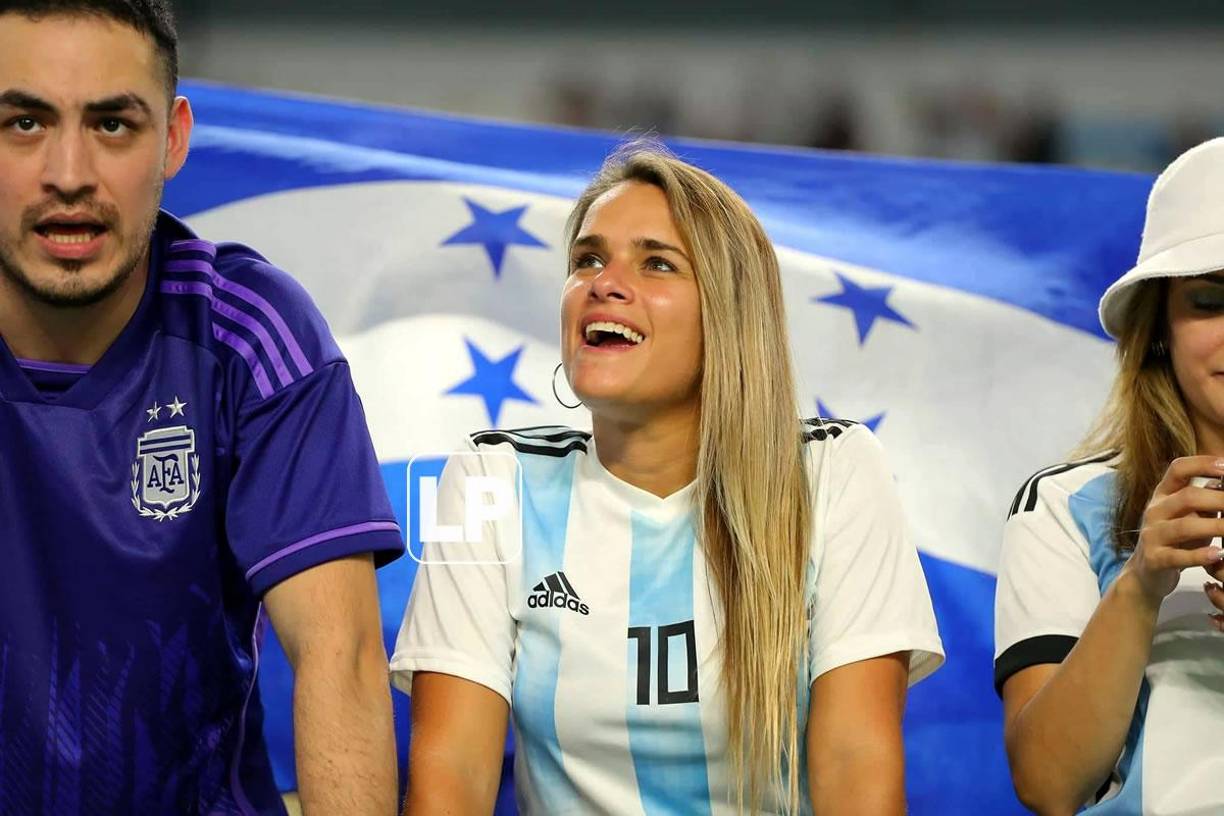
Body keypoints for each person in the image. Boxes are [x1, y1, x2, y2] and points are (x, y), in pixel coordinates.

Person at [391, 145, 944, 814]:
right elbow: (450, 777)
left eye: (656, 263)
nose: (604, 282)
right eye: (587, 259)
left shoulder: (836, 470)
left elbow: (856, 774)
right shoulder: (482, 477)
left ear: (730, 317)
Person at [0, 2, 402, 813]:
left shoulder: (251, 332)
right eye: (24, 123)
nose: (69, 173)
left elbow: (341, 657)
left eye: (113, 125)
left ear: (173, 139)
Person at [995, 138, 1224, 815]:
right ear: (1159, 329)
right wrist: (1139, 587)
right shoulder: (1070, 507)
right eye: (1211, 301)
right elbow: (1048, 785)